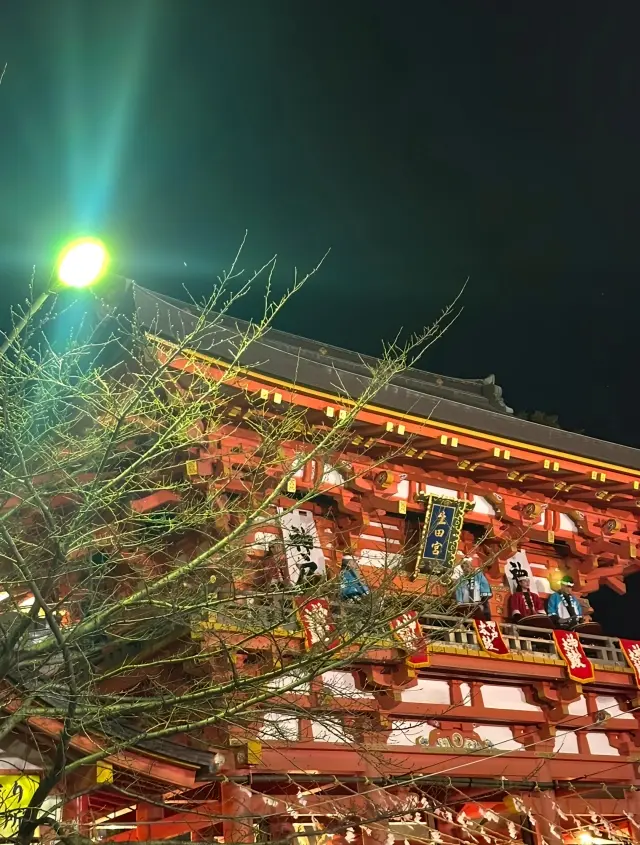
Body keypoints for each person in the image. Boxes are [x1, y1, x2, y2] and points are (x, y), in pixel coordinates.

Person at [454, 554, 492, 620]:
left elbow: (484, 586)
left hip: (480, 601)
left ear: (470, 566)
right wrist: (459, 602)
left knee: (483, 614)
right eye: (464, 568)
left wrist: (482, 598)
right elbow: (459, 591)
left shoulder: (478, 574)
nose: (466, 569)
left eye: (467, 567)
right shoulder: (461, 579)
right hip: (467, 603)